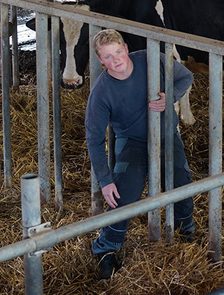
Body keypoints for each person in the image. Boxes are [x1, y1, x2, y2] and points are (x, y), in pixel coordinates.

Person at [84, 29, 196, 280]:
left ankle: (185, 232)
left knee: (181, 184)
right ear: (100, 61)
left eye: (118, 52)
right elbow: (93, 136)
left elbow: (185, 77)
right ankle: (106, 247)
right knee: (123, 195)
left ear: (125, 47)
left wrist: (170, 98)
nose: (117, 60)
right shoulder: (101, 92)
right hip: (132, 141)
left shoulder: (152, 58)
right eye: (108, 57)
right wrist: (105, 180)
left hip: (167, 134)